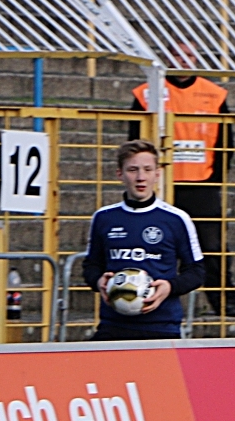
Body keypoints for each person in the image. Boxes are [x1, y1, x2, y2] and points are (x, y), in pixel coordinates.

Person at [130, 71, 235, 316]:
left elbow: (226, 142)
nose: (183, 61)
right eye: (178, 54)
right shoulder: (147, 92)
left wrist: (215, 180)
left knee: (213, 247)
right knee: (154, 243)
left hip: (202, 184)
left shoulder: (214, 94)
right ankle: (148, 298)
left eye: (188, 54)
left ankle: (225, 304)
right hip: (160, 184)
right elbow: (133, 139)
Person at [83, 141, 205, 341]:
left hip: (162, 327)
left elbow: (196, 272)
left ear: (157, 174)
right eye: (133, 170)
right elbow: (91, 266)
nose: (140, 177)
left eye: (147, 170)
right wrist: (98, 281)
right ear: (120, 174)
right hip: (113, 325)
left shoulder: (176, 219)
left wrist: (169, 287)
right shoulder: (104, 218)